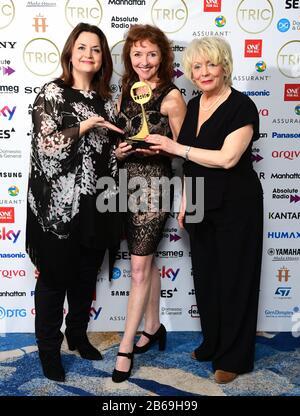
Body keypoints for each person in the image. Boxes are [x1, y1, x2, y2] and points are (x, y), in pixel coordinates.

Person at [146, 37, 263, 384]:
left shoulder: (243, 106)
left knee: (235, 281)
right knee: (208, 279)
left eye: (210, 64)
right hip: (200, 202)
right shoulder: (195, 106)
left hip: (236, 206)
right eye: (196, 67)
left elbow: (227, 158)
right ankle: (213, 343)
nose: (203, 72)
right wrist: (185, 201)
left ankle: (235, 357)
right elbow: (194, 165)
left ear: (224, 66)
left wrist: (175, 147)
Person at [26, 22, 123, 382]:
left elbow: (104, 153)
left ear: (102, 58)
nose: (88, 54)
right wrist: (85, 126)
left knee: (85, 278)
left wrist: (121, 152)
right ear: (70, 52)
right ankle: (48, 351)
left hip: (95, 204)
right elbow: (45, 145)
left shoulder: (105, 100)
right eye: (82, 47)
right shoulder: (52, 92)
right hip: (56, 209)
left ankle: (77, 335)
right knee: (54, 280)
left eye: (96, 49)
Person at [112, 24, 186, 383]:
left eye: (152, 54)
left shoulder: (172, 97)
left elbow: (187, 153)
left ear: (163, 57)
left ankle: (125, 347)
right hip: (124, 184)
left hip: (154, 188)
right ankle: (153, 326)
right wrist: (119, 150)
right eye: (138, 53)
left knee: (139, 269)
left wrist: (188, 195)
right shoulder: (126, 91)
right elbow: (118, 140)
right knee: (147, 260)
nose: (144, 61)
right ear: (130, 56)